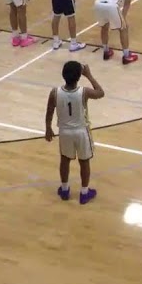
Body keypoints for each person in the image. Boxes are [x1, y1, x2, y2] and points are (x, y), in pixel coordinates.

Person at [44, 60, 105, 203]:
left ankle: (64, 189)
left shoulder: (55, 92)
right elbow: (101, 93)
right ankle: (84, 193)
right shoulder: (84, 92)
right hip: (81, 132)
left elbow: (49, 111)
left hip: (64, 131)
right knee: (84, 162)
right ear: (79, 77)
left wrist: (48, 127)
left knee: (64, 160)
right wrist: (89, 76)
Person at [94, 0, 139, 64]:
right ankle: (127, 56)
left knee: (104, 26)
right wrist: (123, 16)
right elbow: (127, 2)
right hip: (111, 5)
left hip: (98, 2)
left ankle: (106, 51)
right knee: (123, 28)